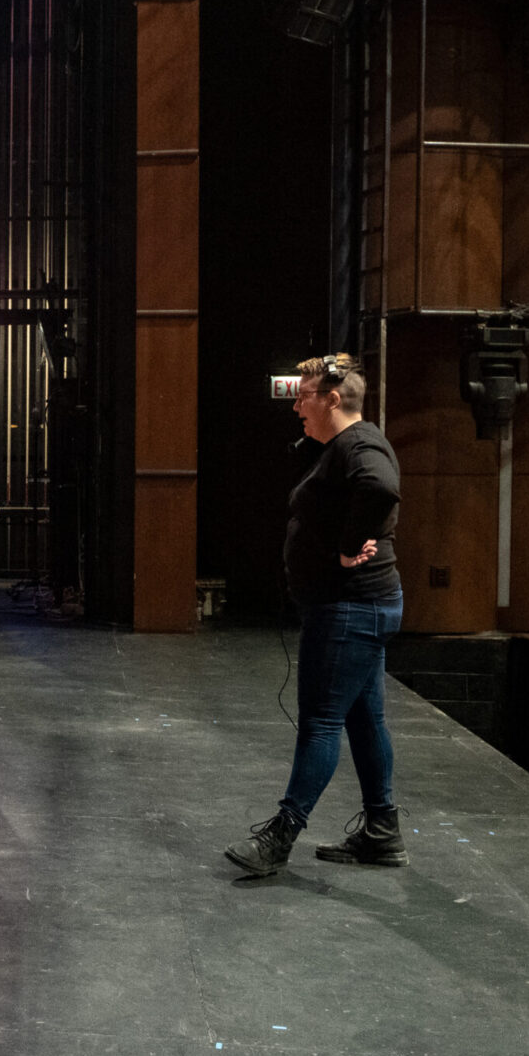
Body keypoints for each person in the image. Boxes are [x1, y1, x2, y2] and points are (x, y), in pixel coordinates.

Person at [226, 352, 407, 877]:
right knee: (364, 719)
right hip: (357, 608)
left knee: (322, 722)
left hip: (349, 609)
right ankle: (382, 832)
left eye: (304, 398)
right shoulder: (345, 446)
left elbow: (380, 488)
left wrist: (350, 546)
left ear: (332, 399)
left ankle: (279, 838)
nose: (297, 407)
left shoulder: (360, 444)